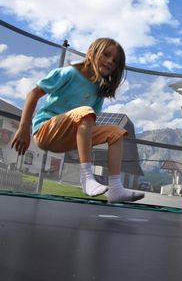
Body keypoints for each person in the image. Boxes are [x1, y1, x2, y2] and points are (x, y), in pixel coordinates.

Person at [11, 38, 144, 203]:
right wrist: (24, 128)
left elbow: (88, 125)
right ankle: (87, 178)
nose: (110, 61)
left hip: (68, 138)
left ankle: (116, 188)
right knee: (85, 112)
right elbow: (33, 94)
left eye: (115, 61)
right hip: (46, 131)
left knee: (116, 133)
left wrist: (85, 150)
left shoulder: (98, 91)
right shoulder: (69, 73)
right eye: (106, 55)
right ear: (91, 53)